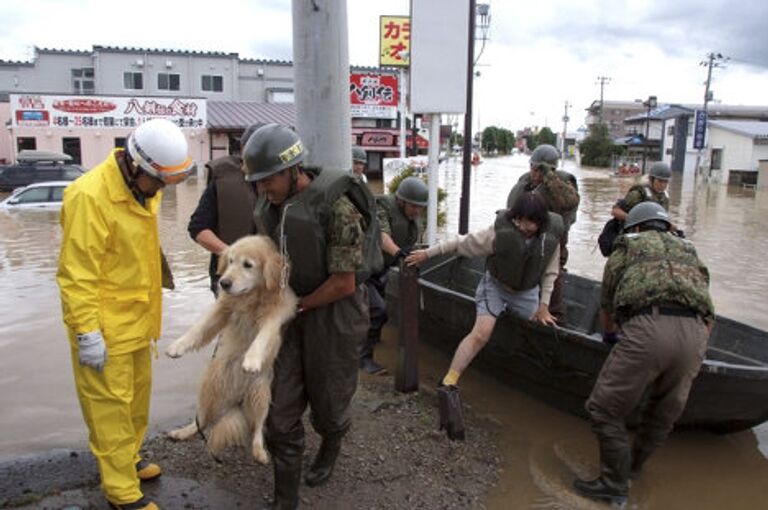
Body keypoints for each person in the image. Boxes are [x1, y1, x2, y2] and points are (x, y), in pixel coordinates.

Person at [57, 118, 195, 510]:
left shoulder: (144, 189)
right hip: (103, 327)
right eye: (159, 181)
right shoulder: (89, 197)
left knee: (136, 401)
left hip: (137, 319)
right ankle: (120, 491)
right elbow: (76, 273)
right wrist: (86, 332)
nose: (163, 190)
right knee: (109, 409)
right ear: (136, 166)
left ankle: (128, 458)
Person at [242, 123, 381, 510]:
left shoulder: (338, 209)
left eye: (267, 181)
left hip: (334, 313)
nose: (261, 190)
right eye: (256, 182)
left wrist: (298, 306)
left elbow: (344, 283)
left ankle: (330, 444)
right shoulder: (269, 205)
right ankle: (285, 499)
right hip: (290, 311)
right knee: (278, 412)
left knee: (329, 400)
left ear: (292, 170)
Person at [573, 202, 714, 506]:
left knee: (604, 409)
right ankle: (633, 470)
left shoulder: (626, 247)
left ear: (635, 228)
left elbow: (607, 306)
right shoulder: (689, 251)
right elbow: (709, 310)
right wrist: (698, 351)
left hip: (648, 330)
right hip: (696, 334)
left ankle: (614, 484)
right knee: (661, 416)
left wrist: (612, 338)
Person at [406, 192, 561, 439]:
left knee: (538, 328)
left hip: (527, 292)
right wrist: (428, 254)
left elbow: (550, 273)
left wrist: (544, 306)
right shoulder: (499, 234)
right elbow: (461, 243)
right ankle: (449, 381)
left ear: (541, 222)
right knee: (482, 333)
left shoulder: (550, 239)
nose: (523, 227)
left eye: (530, 222)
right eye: (519, 220)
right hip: (496, 286)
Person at [360, 176, 428, 375]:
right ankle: (363, 358)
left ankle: (373, 338)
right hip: (364, 269)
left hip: (382, 269)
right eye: (413, 206)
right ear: (401, 201)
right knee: (377, 311)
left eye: (420, 207)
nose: (417, 211)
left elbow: (411, 241)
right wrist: (398, 253)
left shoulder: (413, 218)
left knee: (377, 312)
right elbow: (382, 235)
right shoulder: (382, 207)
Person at [506, 144, 579, 323]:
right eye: (534, 168)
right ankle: (516, 305)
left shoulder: (562, 183)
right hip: (527, 233)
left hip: (554, 236)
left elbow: (569, 202)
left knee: (554, 273)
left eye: (541, 170)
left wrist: (549, 176)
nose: (536, 174)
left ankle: (556, 316)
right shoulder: (525, 181)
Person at [188, 124, 260, 293]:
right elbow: (198, 228)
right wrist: (232, 254)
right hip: (230, 278)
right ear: (242, 150)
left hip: (268, 278)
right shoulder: (223, 179)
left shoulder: (285, 178)